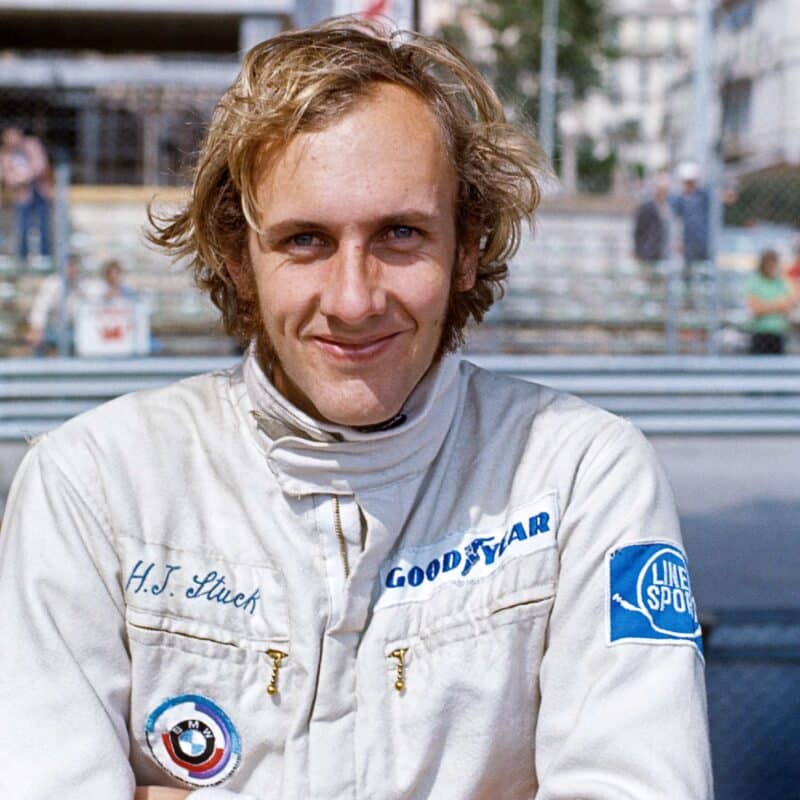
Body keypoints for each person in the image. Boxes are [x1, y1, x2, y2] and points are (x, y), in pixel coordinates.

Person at [0, 18, 712, 800]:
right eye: (305, 240)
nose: (353, 299)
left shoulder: (582, 475)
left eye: (400, 234)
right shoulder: (93, 486)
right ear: (238, 258)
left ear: (468, 245)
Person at [0, 126, 52, 261]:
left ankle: (44, 256)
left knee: (43, 225)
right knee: (22, 226)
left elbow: (40, 165)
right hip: (22, 195)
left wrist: (23, 176)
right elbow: (8, 178)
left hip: (40, 191)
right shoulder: (5, 154)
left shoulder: (32, 144)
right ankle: (23, 258)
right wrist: (23, 177)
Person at [25, 253, 83, 355]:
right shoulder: (52, 283)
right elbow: (41, 307)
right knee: (37, 339)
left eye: (74, 266)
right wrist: (36, 329)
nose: (72, 270)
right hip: (52, 328)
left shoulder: (81, 284)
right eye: (70, 266)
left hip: (76, 330)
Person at [669, 161, 711, 302]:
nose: (689, 185)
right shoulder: (679, 199)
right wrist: (678, 240)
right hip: (688, 243)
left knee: (706, 272)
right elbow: (676, 222)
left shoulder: (704, 196)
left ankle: (707, 301)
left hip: (704, 242)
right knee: (687, 274)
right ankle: (688, 301)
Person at [745, 248, 794, 354]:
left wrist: (765, 306)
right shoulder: (755, 281)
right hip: (760, 333)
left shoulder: (781, 281)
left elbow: (787, 306)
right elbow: (756, 310)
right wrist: (777, 305)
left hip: (778, 333)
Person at [633, 172, 671, 288]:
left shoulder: (667, 206)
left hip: (662, 254)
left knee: (659, 287)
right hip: (648, 254)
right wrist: (638, 250)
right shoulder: (647, 207)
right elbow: (638, 230)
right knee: (647, 285)